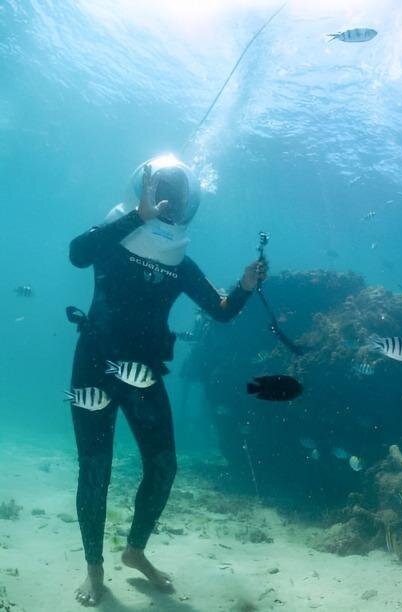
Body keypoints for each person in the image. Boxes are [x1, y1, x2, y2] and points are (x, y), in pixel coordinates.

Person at [67, 154, 266, 606]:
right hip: (93, 365)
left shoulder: (179, 262)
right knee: (95, 469)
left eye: (178, 199)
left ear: (188, 206)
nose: (169, 205)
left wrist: (245, 287)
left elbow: (221, 311)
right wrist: (136, 218)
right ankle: (94, 570)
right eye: (162, 195)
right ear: (144, 191)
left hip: (144, 374)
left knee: (164, 466)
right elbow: (77, 254)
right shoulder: (114, 236)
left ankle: (135, 551)